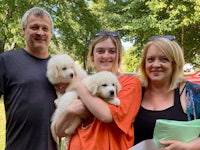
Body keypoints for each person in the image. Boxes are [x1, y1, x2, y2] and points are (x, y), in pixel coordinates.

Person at [54, 31, 142, 150]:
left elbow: (106, 115)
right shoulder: (86, 81)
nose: (106, 56)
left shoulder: (129, 83)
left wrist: (78, 86)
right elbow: (59, 132)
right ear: (92, 56)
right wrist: (69, 111)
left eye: (112, 51)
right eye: (100, 51)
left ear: (119, 55)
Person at [0, 7, 57, 150]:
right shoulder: (6, 61)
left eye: (45, 28)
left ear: (51, 33)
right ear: (23, 30)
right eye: (34, 27)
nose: (40, 32)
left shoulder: (60, 68)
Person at [134, 35, 200, 150]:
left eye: (164, 59)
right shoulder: (134, 91)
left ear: (175, 64)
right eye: (150, 59)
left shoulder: (193, 93)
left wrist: (188, 147)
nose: (156, 64)